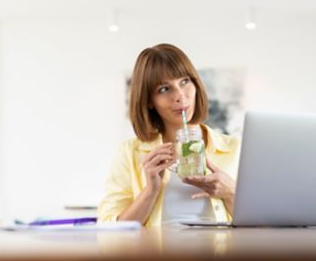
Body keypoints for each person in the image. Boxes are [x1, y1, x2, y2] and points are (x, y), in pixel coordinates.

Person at [97, 44, 240, 227]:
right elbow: (109, 228)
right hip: (157, 255)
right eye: (164, 89)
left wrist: (231, 193)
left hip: (219, 254)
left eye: (184, 81)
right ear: (149, 101)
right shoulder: (130, 152)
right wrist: (150, 191)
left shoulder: (235, 148)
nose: (180, 96)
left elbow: (261, 228)